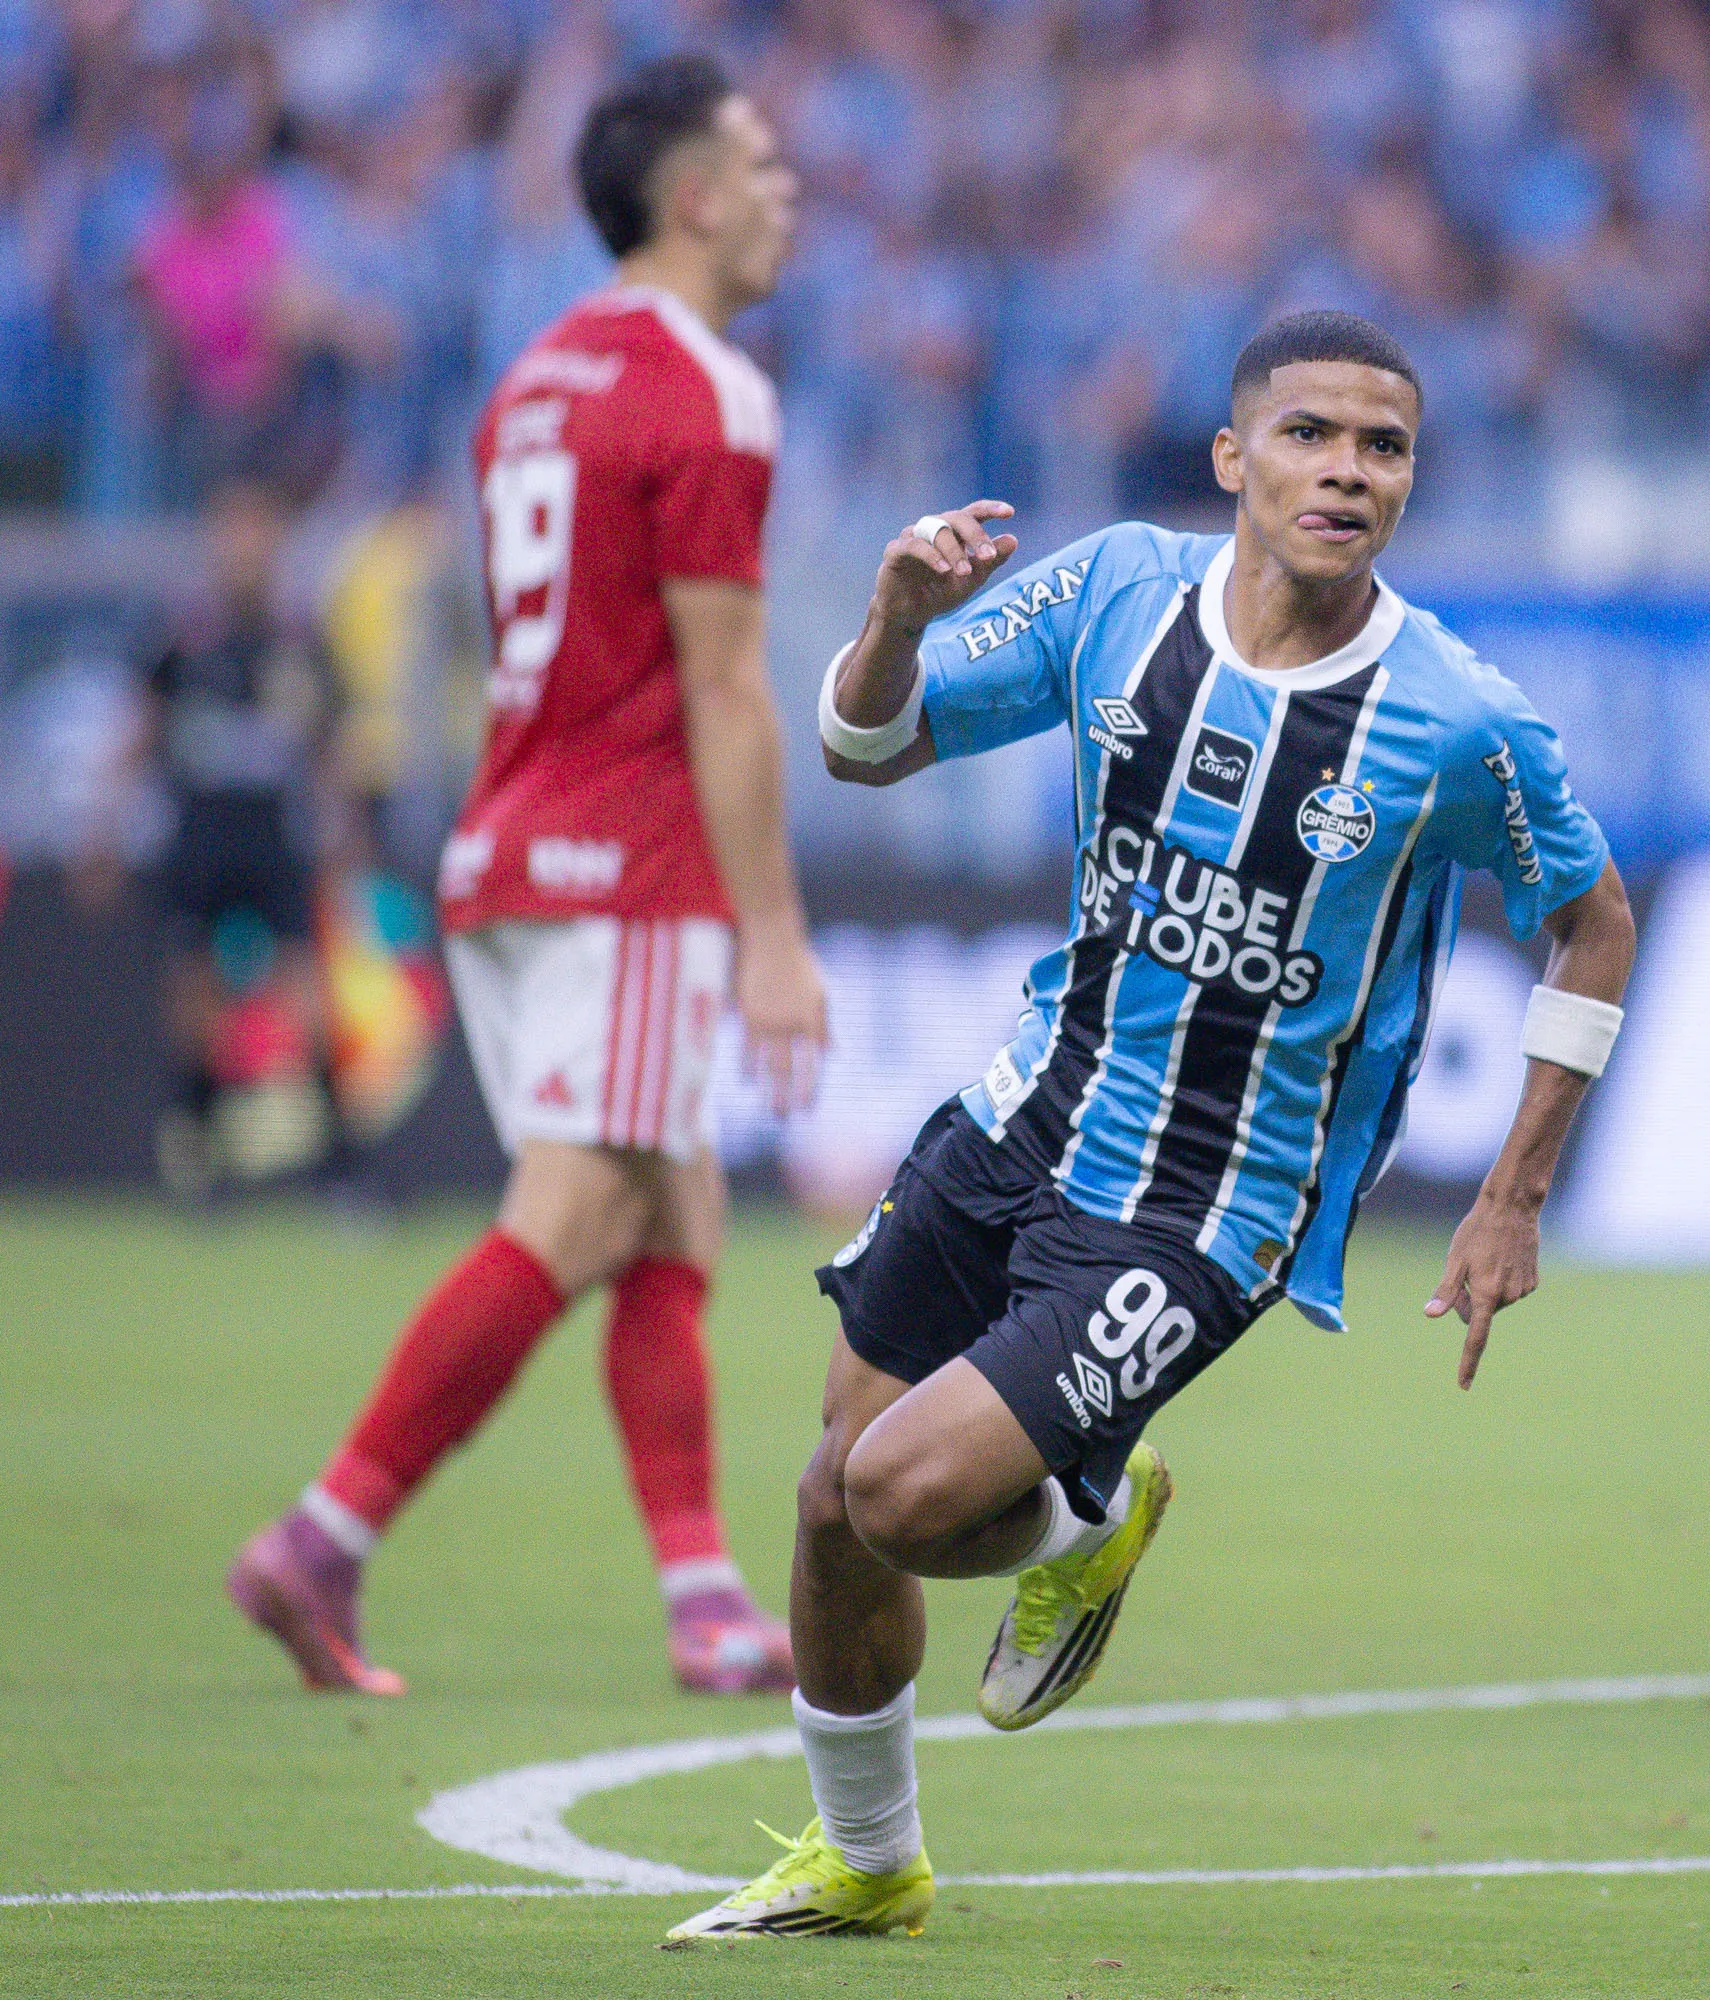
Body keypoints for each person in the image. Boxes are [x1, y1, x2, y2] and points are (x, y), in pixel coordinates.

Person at [668, 309, 1637, 1938]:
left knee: (899, 1497)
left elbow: (1594, 922)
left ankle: (1091, 1513)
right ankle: (868, 1859)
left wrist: (1516, 1195)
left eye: (1382, 446)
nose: (1345, 471)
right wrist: (897, 619)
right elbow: (864, 742)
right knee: (831, 1495)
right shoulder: (1118, 587)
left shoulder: (1459, 719)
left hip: (1212, 1207)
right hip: (1022, 1113)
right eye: (1311, 434)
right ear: (1233, 458)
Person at [226, 54, 825, 1698]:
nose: (787, 193)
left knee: (669, 1202)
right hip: (626, 864)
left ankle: (703, 1601)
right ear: (692, 196)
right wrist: (771, 930)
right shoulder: (710, 387)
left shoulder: (536, 378)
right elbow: (718, 682)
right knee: (572, 1214)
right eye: (762, 164)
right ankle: (324, 1536)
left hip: (507, 841)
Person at [96, 475, 350, 1198]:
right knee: (193, 994)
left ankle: (339, 1163)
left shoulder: (299, 637)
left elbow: (328, 747)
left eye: (259, 529)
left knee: (305, 988)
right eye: (232, 529)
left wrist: (343, 834)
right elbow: (138, 733)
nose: (245, 546)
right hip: (199, 831)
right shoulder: (181, 634)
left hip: (273, 833)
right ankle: (195, 1153)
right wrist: (104, 829)